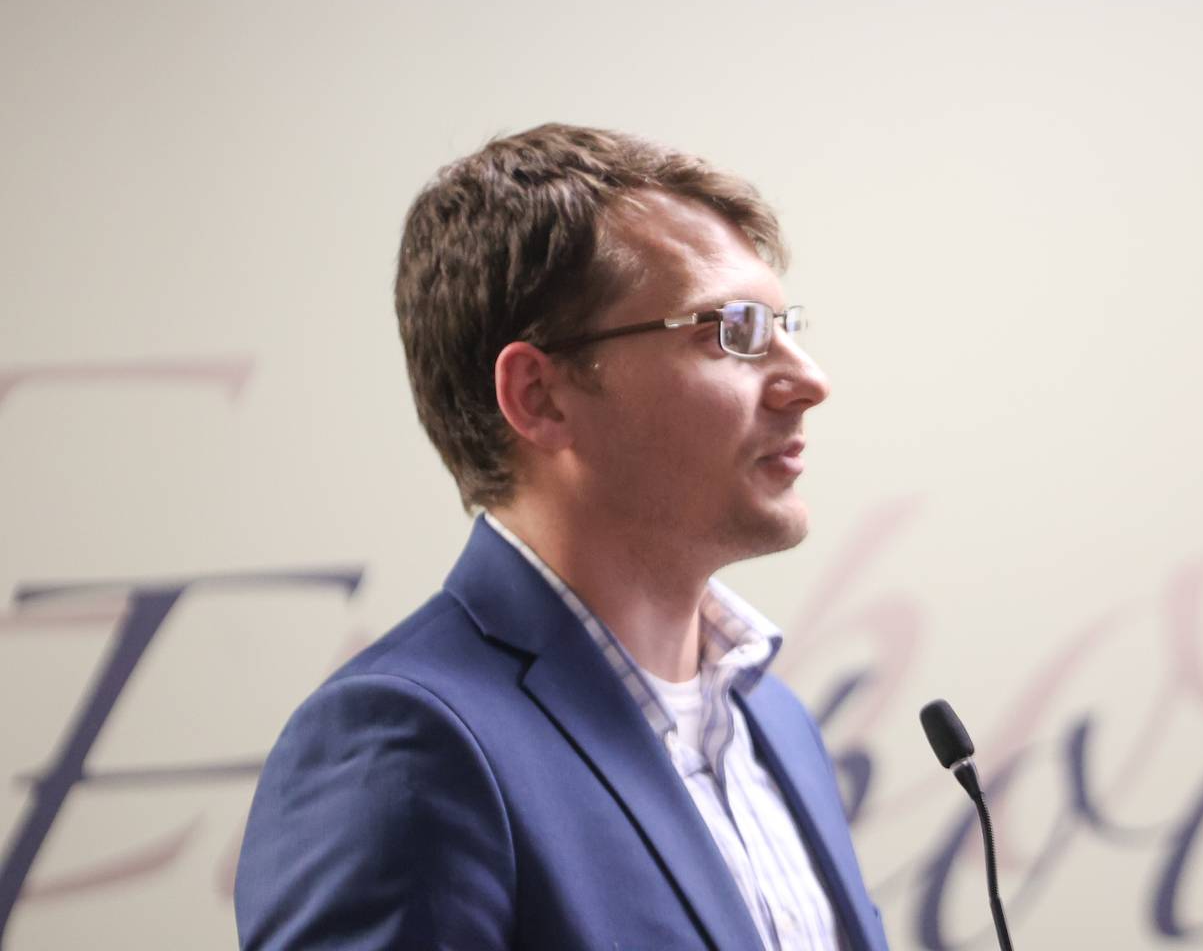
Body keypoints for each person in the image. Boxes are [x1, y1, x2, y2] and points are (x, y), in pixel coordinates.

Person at [234, 124, 889, 951]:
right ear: (539, 396)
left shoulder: (774, 718)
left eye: (784, 325)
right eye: (734, 331)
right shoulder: (405, 748)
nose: (809, 380)